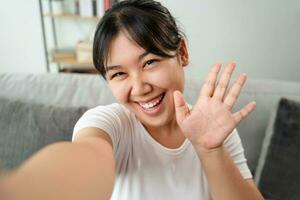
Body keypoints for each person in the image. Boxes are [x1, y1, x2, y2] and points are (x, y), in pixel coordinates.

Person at [0, 0, 264, 199]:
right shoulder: (111, 122)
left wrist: (210, 150)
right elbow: (86, 159)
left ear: (181, 53)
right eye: (118, 74)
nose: (139, 87)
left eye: (149, 62)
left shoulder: (214, 127)